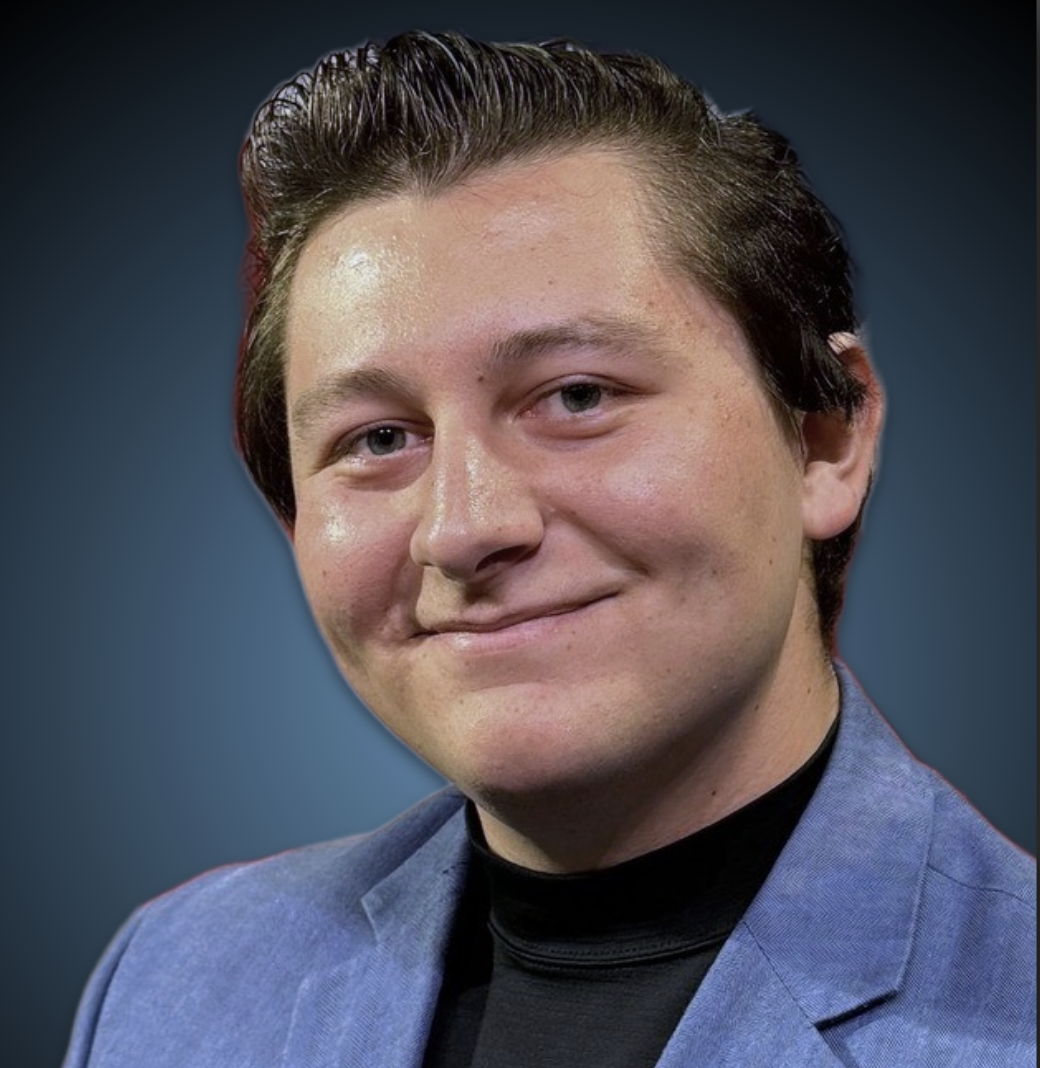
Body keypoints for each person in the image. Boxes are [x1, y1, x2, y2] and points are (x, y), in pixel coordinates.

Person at [63, 31, 1035, 1067]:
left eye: (576, 396)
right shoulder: (172, 979)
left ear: (826, 439)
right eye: (378, 440)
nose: (463, 527)